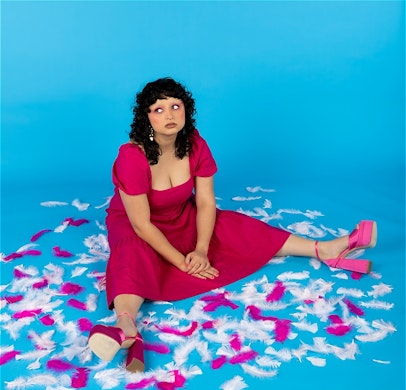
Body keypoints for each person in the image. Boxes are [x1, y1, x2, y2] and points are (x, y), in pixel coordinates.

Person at [88, 77, 377, 373]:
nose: (170, 115)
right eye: (159, 109)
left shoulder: (195, 144)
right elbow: (142, 224)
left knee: (230, 226)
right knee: (133, 252)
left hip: (180, 215)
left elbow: (205, 203)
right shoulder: (131, 157)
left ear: (186, 111)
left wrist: (200, 250)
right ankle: (125, 327)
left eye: (176, 106)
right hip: (137, 224)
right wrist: (181, 262)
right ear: (145, 117)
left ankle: (323, 249)